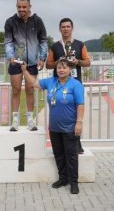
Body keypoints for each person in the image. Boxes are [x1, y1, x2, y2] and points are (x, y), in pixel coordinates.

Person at [21, 59, 85, 194]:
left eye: (64, 68)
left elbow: (80, 105)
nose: (61, 70)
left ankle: (74, 182)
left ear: (70, 70)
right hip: (54, 127)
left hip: (70, 127)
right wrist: (24, 70)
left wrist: (79, 122)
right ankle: (63, 179)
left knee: (71, 155)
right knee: (59, 154)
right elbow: (34, 83)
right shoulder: (51, 82)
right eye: (59, 67)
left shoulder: (76, 84)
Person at [46, 17, 91, 154]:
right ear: (60, 29)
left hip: (75, 83)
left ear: (72, 28)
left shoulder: (79, 44)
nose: (65, 29)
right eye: (63, 27)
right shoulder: (55, 46)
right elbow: (48, 64)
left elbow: (88, 62)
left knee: (76, 114)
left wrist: (77, 61)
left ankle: (77, 143)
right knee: (62, 114)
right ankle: (61, 144)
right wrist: (58, 61)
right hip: (58, 84)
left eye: (68, 26)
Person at [4, 0, 48, 131]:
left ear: (30, 7)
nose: (21, 9)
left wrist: (42, 58)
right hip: (16, 62)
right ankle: (15, 120)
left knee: (30, 91)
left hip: (32, 64)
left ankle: (30, 119)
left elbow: (43, 40)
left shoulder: (38, 21)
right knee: (16, 90)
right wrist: (10, 55)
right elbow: (8, 41)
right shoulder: (10, 22)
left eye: (24, 7)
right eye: (19, 7)